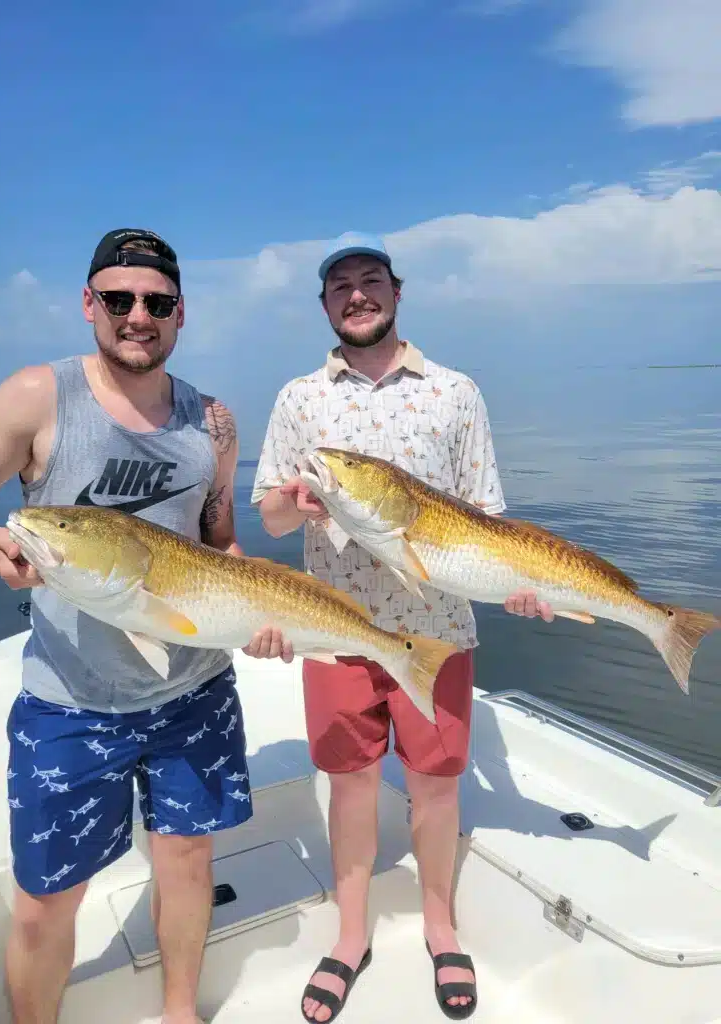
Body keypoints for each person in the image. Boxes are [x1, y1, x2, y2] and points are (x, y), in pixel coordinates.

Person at [0, 227, 292, 1024]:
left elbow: (222, 546)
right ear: (89, 304)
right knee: (44, 902)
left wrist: (265, 614)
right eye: (119, 299)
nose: (138, 315)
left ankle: (180, 1013)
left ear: (181, 314)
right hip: (70, 701)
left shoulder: (211, 422)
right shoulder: (39, 396)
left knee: (186, 863)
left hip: (194, 693)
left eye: (156, 302)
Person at [251, 231, 554, 1021]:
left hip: (439, 626)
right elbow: (273, 519)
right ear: (324, 305)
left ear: (396, 291)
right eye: (340, 285)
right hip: (335, 628)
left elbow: (487, 517)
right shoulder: (298, 400)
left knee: (435, 784)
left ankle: (441, 927)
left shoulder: (456, 392)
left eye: (370, 280)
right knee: (349, 784)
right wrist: (299, 503)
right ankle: (350, 935)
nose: (356, 294)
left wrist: (518, 583)